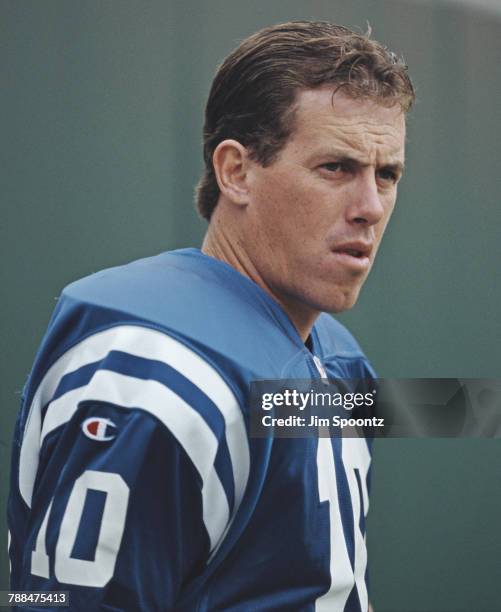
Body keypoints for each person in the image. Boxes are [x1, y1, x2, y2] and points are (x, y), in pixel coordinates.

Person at [8, 21, 414, 611]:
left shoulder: (336, 357)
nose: (370, 208)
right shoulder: (150, 368)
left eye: (388, 174)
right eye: (336, 168)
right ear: (236, 171)